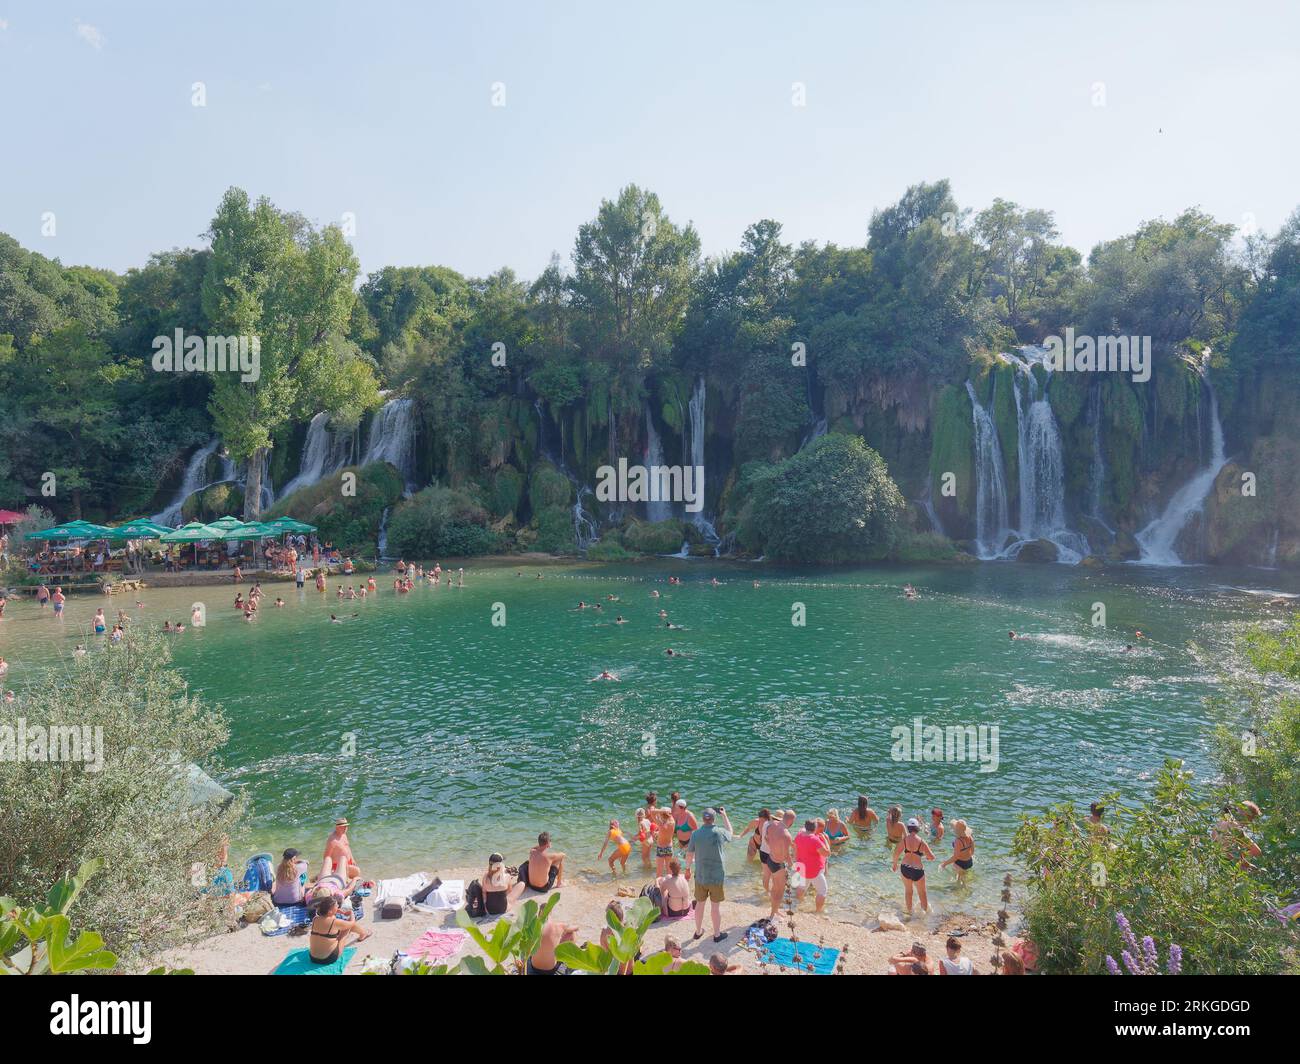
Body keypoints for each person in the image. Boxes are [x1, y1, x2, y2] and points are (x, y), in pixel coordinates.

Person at [689, 807, 733, 943]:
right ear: (714, 818)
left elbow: (689, 854)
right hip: (716, 875)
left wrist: (687, 868)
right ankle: (717, 934)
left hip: (701, 875)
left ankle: (697, 932)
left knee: (700, 905)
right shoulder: (720, 832)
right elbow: (731, 833)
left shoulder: (695, 834)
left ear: (703, 819)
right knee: (715, 907)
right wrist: (725, 815)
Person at [308, 895, 371, 965]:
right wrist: (351, 913)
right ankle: (363, 933)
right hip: (328, 958)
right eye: (336, 906)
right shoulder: (334, 922)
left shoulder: (315, 919)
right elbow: (352, 923)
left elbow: (329, 918)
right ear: (330, 911)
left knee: (335, 931)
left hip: (313, 958)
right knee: (348, 927)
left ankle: (363, 933)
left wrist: (336, 912)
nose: (338, 906)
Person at [892, 817, 935, 915]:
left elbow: (896, 854)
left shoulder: (904, 840)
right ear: (917, 828)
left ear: (908, 828)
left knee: (908, 891)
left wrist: (895, 864)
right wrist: (926, 857)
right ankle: (925, 916)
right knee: (922, 893)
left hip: (905, 868)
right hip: (917, 870)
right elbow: (932, 857)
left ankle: (909, 913)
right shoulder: (921, 841)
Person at [794, 819, 831, 913]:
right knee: (822, 891)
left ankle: (798, 905)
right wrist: (826, 840)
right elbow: (827, 853)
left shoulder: (799, 835)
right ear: (815, 829)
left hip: (801, 867)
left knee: (801, 887)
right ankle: (818, 911)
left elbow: (795, 845)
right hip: (814, 870)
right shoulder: (815, 840)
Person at [766, 809, 795, 919]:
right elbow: (786, 855)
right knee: (780, 891)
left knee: (774, 887)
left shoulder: (772, 825)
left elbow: (766, 838)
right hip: (778, 864)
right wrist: (792, 865)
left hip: (770, 859)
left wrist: (774, 848)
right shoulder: (787, 835)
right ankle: (773, 915)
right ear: (792, 821)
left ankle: (774, 910)